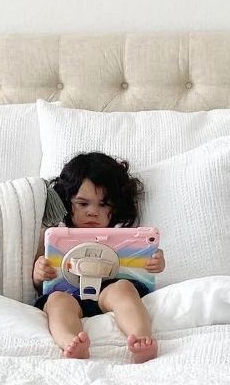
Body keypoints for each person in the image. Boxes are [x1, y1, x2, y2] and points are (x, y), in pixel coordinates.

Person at [33, 152, 165, 362]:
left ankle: (141, 338)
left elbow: (143, 263)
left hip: (108, 290)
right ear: (67, 202)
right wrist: (39, 273)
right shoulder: (55, 235)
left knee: (124, 288)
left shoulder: (126, 235)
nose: (92, 212)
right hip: (69, 293)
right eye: (83, 204)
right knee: (56, 301)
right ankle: (71, 342)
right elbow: (40, 283)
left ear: (117, 206)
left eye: (103, 205)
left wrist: (157, 262)